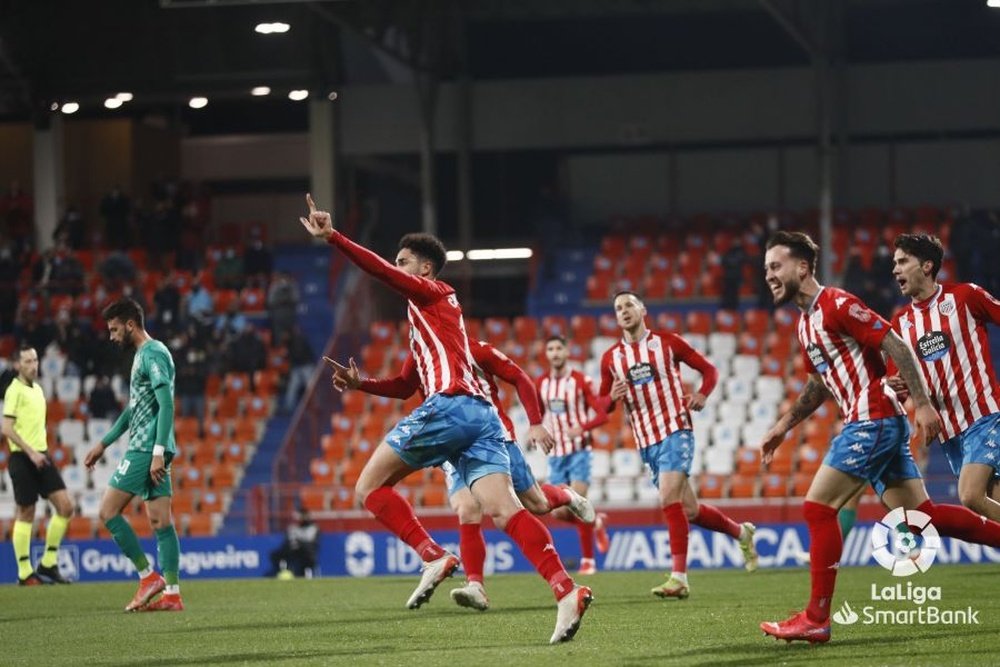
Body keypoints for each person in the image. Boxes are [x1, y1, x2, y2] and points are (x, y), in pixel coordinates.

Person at [299, 194, 592, 644]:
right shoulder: (427, 327)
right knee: (505, 510)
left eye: (404, 262)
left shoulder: (437, 293)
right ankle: (565, 590)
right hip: (481, 417)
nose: (397, 268)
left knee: (368, 488)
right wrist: (362, 385)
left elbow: (379, 271)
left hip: (451, 406)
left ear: (425, 270)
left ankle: (432, 556)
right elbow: (401, 385)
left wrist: (334, 237)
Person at [758, 231, 1000, 643]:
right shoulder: (805, 325)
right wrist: (783, 426)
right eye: (766, 270)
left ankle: (816, 617)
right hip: (876, 420)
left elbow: (895, 344)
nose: (769, 276)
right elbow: (819, 383)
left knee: (818, 508)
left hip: (873, 420)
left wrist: (922, 403)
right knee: (923, 519)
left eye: (776, 267)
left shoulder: (837, 303)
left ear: (802, 267)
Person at [329, 337, 597, 611]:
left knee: (536, 504)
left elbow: (519, 377)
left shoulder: (474, 348)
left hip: (494, 437)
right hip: (451, 442)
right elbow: (403, 386)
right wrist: (361, 383)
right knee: (466, 508)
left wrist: (536, 423)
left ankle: (564, 494)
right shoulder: (421, 351)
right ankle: (475, 585)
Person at [596, 292, 758, 598]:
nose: (624, 311)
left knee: (668, 498)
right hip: (647, 442)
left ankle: (679, 578)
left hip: (676, 429)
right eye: (618, 308)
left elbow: (709, 370)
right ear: (616, 318)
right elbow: (601, 406)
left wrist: (702, 394)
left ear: (642, 309)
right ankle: (741, 532)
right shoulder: (611, 359)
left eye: (629, 304)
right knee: (691, 511)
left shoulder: (668, 343)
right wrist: (610, 398)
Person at [887, 233, 1000, 519]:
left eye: (902, 261)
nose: (895, 269)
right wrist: (892, 386)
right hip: (948, 431)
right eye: (894, 263)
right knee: (992, 497)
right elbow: (896, 382)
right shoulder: (900, 322)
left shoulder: (965, 296)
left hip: (984, 415)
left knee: (970, 495)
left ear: (926, 266)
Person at [83, 298, 184, 612]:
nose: (112, 337)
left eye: (114, 330)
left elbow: (166, 404)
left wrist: (155, 452)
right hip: (154, 447)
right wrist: (104, 443)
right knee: (160, 522)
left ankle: (147, 577)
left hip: (145, 448)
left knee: (108, 511)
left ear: (130, 324)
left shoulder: (153, 353)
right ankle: (172, 594)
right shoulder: (144, 355)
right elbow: (135, 409)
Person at [536, 336, 610, 575]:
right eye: (550, 348)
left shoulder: (580, 381)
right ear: (546, 354)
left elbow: (602, 414)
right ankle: (596, 522)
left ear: (567, 351)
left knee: (578, 502)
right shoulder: (541, 383)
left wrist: (583, 428)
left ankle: (588, 561)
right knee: (557, 511)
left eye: (559, 348)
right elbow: (535, 413)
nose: (555, 352)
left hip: (579, 451)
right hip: (556, 454)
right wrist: (535, 430)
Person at [3, 345, 73, 584]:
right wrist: (31, 452)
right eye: (27, 361)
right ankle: (25, 573)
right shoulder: (15, 391)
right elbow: (6, 428)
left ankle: (48, 563)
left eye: (35, 360)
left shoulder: (39, 389)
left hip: (40, 456)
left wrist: (38, 451)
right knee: (27, 512)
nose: (33, 365)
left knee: (65, 506)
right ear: (17, 365)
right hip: (23, 458)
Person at [268, 507, 319, 578]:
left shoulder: (313, 528)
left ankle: (307, 575)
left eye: (301, 516)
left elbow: (310, 540)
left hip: (306, 553)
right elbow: (290, 539)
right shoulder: (293, 528)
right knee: (281, 553)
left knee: (306, 554)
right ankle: (284, 572)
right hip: (293, 551)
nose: (299, 519)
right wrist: (294, 543)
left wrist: (299, 542)